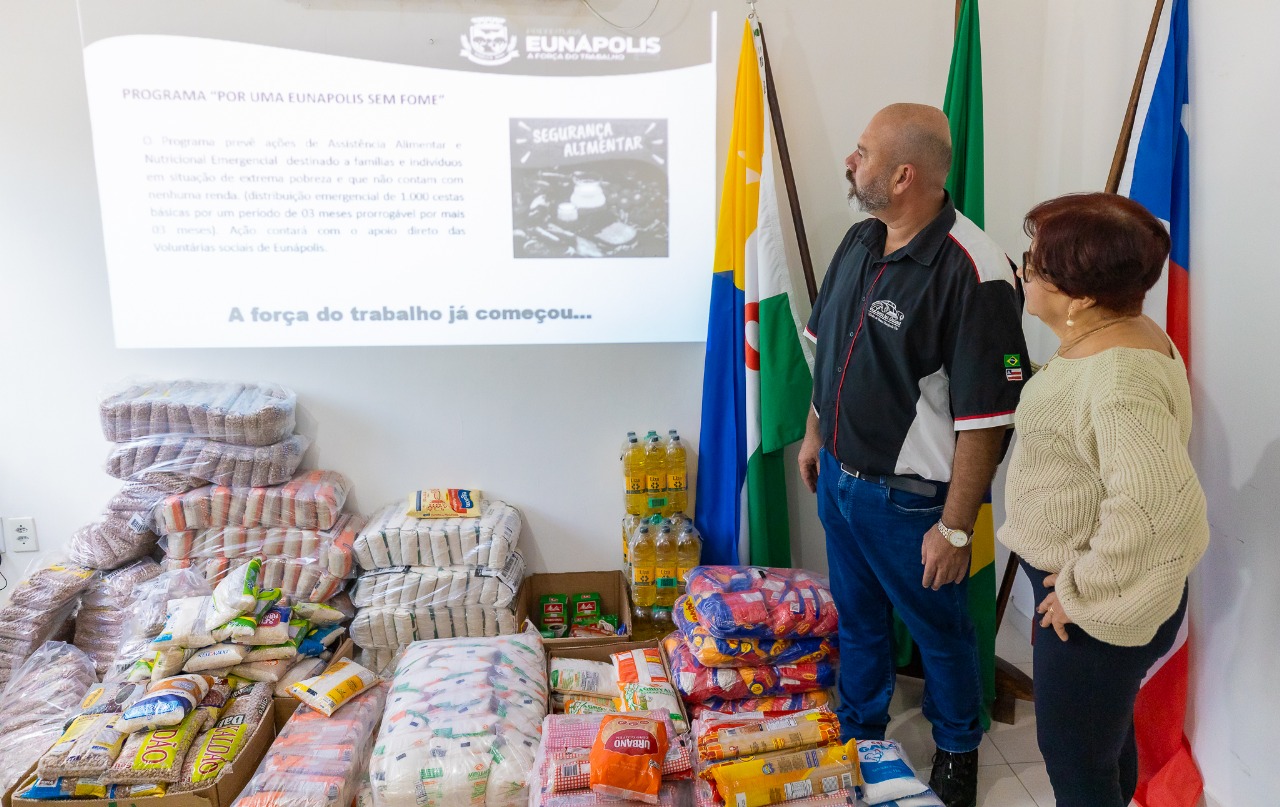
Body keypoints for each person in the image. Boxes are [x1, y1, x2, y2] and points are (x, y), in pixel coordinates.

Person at [798, 103, 1028, 807]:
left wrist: (956, 528)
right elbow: (831, 351)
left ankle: (957, 747)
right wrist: (815, 433)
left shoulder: (977, 271)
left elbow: (987, 420)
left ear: (903, 175)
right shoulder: (861, 239)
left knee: (943, 633)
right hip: (840, 479)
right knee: (858, 618)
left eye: (861, 152)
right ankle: (862, 727)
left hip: (911, 504)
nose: (849, 161)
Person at [998, 192, 1208, 807]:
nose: (1024, 272)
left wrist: (1080, 593)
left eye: (1035, 267)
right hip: (1096, 596)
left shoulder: (1118, 376)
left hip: (1096, 608)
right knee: (1105, 746)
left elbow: (1164, 509)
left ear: (1083, 297)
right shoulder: (1122, 332)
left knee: (1077, 767)